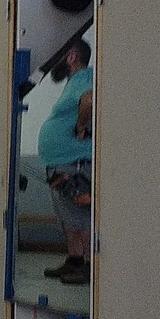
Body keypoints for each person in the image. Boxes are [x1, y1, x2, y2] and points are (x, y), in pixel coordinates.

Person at [39, 38, 94, 286]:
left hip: (75, 163)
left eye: (61, 55)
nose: (55, 62)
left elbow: (89, 100)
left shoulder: (84, 77)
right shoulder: (74, 82)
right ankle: (74, 260)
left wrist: (81, 127)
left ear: (71, 57)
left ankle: (89, 267)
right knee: (68, 216)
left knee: (80, 216)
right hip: (61, 164)